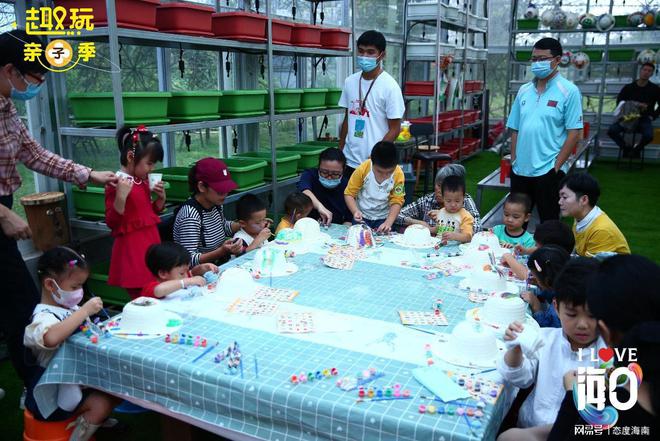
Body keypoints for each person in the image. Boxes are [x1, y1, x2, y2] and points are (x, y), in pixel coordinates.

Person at [0, 29, 116, 384]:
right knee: (19, 302)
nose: (37, 86)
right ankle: (40, 389)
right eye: (35, 77)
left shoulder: (7, 108)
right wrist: (1, 212)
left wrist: (89, 174)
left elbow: (33, 154)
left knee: (14, 299)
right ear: (9, 70)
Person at [548, 254, 660, 440]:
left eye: (592, 315)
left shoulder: (606, 414)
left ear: (606, 332)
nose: (582, 324)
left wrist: (573, 397)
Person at [497, 258, 605, 441]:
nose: (582, 325)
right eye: (572, 314)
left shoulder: (608, 357)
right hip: (529, 427)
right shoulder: (545, 338)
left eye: (593, 315)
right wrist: (516, 348)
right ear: (556, 307)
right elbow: (521, 379)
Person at [24, 247, 120, 440]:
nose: (80, 292)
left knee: (118, 386)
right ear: (51, 285)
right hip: (55, 394)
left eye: (82, 286)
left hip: (80, 379)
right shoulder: (43, 317)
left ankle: (91, 418)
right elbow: (50, 338)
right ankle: (83, 429)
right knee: (104, 402)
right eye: (75, 287)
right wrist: (83, 312)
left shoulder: (70, 308)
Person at [506, 37, 583, 223]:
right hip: (520, 170)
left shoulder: (569, 91)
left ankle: (550, 252)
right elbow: (514, 128)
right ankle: (513, 253)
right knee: (515, 221)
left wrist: (555, 167)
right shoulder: (524, 91)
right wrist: (514, 160)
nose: (537, 63)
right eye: (534, 59)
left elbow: (574, 133)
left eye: (542, 59)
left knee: (549, 222)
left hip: (547, 170)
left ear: (557, 60)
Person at [105, 126, 166, 299]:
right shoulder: (116, 183)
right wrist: (120, 198)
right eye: (149, 163)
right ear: (131, 157)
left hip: (150, 245)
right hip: (133, 252)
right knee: (144, 297)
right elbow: (111, 222)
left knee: (154, 292)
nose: (152, 168)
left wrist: (160, 200)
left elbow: (145, 213)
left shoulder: (142, 181)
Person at [338, 30, 405, 174]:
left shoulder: (390, 87)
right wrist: (340, 150)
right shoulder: (350, 82)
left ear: (382, 54)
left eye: (370, 52)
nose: (364, 56)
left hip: (375, 163)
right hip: (349, 160)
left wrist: (376, 155)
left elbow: (394, 128)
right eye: (361, 51)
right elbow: (347, 119)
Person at [173, 158, 243, 266]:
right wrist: (221, 251)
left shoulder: (216, 204)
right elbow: (187, 260)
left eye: (227, 189)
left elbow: (222, 226)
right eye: (220, 190)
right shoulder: (190, 216)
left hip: (219, 264)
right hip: (200, 273)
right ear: (201, 187)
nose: (225, 193)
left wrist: (246, 224)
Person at [558, 173, 630, 257]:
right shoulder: (581, 217)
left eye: (565, 197)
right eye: (560, 197)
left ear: (584, 200)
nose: (559, 202)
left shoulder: (601, 231)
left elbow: (590, 267)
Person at [397, 163, 482, 233]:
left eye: (444, 188)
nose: (439, 190)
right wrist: (418, 223)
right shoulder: (428, 200)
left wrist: (446, 216)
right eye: (438, 185)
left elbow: (477, 228)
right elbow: (397, 215)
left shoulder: (465, 201)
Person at [344, 141, 405, 233]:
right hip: (362, 217)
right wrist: (355, 211)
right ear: (372, 161)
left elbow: (397, 200)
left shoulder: (398, 174)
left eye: (389, 172)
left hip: (384, 218)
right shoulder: (363, 169)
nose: (385, 176)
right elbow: (349, 194)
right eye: (380, 171)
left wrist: (388, 222)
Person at [607, 62, 660, 158]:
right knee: (612, 131)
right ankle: (626, 148)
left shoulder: (655, 89)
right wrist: (634, 105)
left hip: (644, 119)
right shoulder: (629, 87)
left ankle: (636, 150)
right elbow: (620, 102)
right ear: (640, 71)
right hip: (627, 118)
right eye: (644, 70)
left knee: (649, 135)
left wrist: (653, 116)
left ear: (652, 74)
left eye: (649, 71)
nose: (646, 72)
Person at [501, 219, 575, 280]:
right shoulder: (560, 256)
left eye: (537, 245)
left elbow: (527, 276)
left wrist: (508, 256)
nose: (535, 246)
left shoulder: (554, 268)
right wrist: (526, 251)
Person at [296, 148, 352, 225]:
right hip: (309, 225)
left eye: (335, 174)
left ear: (343, 170)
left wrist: (342, 231)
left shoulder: (347, 185)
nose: (329, 177)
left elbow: (349, 218)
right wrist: (320, 207)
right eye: (324, 172)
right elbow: (305, 190)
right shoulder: (310, 175)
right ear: (318, 167)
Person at [142, 242, 218, 299]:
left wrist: (202, 268)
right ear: (163, 274)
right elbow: (159, 290)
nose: (186, 275)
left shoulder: (178, 276)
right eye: (182, 273)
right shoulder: (151, 288)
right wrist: (188, 281)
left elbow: (191, 273)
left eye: (186, 271)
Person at [521, 245, 570, 328]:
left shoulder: (559, 307)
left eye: (535, 276)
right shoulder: (564, 285)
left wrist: (536, 307)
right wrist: (540, 284)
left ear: (547, 281)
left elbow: (547, 329)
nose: (533, 278)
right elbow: (551, 292)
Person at [428, 175, 474, 243]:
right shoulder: (441, 212)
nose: (453, 205)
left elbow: (468, 237)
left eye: (457, 201)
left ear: (463, 198)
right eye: (448, 201)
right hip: (439, 245)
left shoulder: (465, 216)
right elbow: (439, 228)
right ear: (443, 198)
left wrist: (454, 236)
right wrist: (429, 229)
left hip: (456, 249)